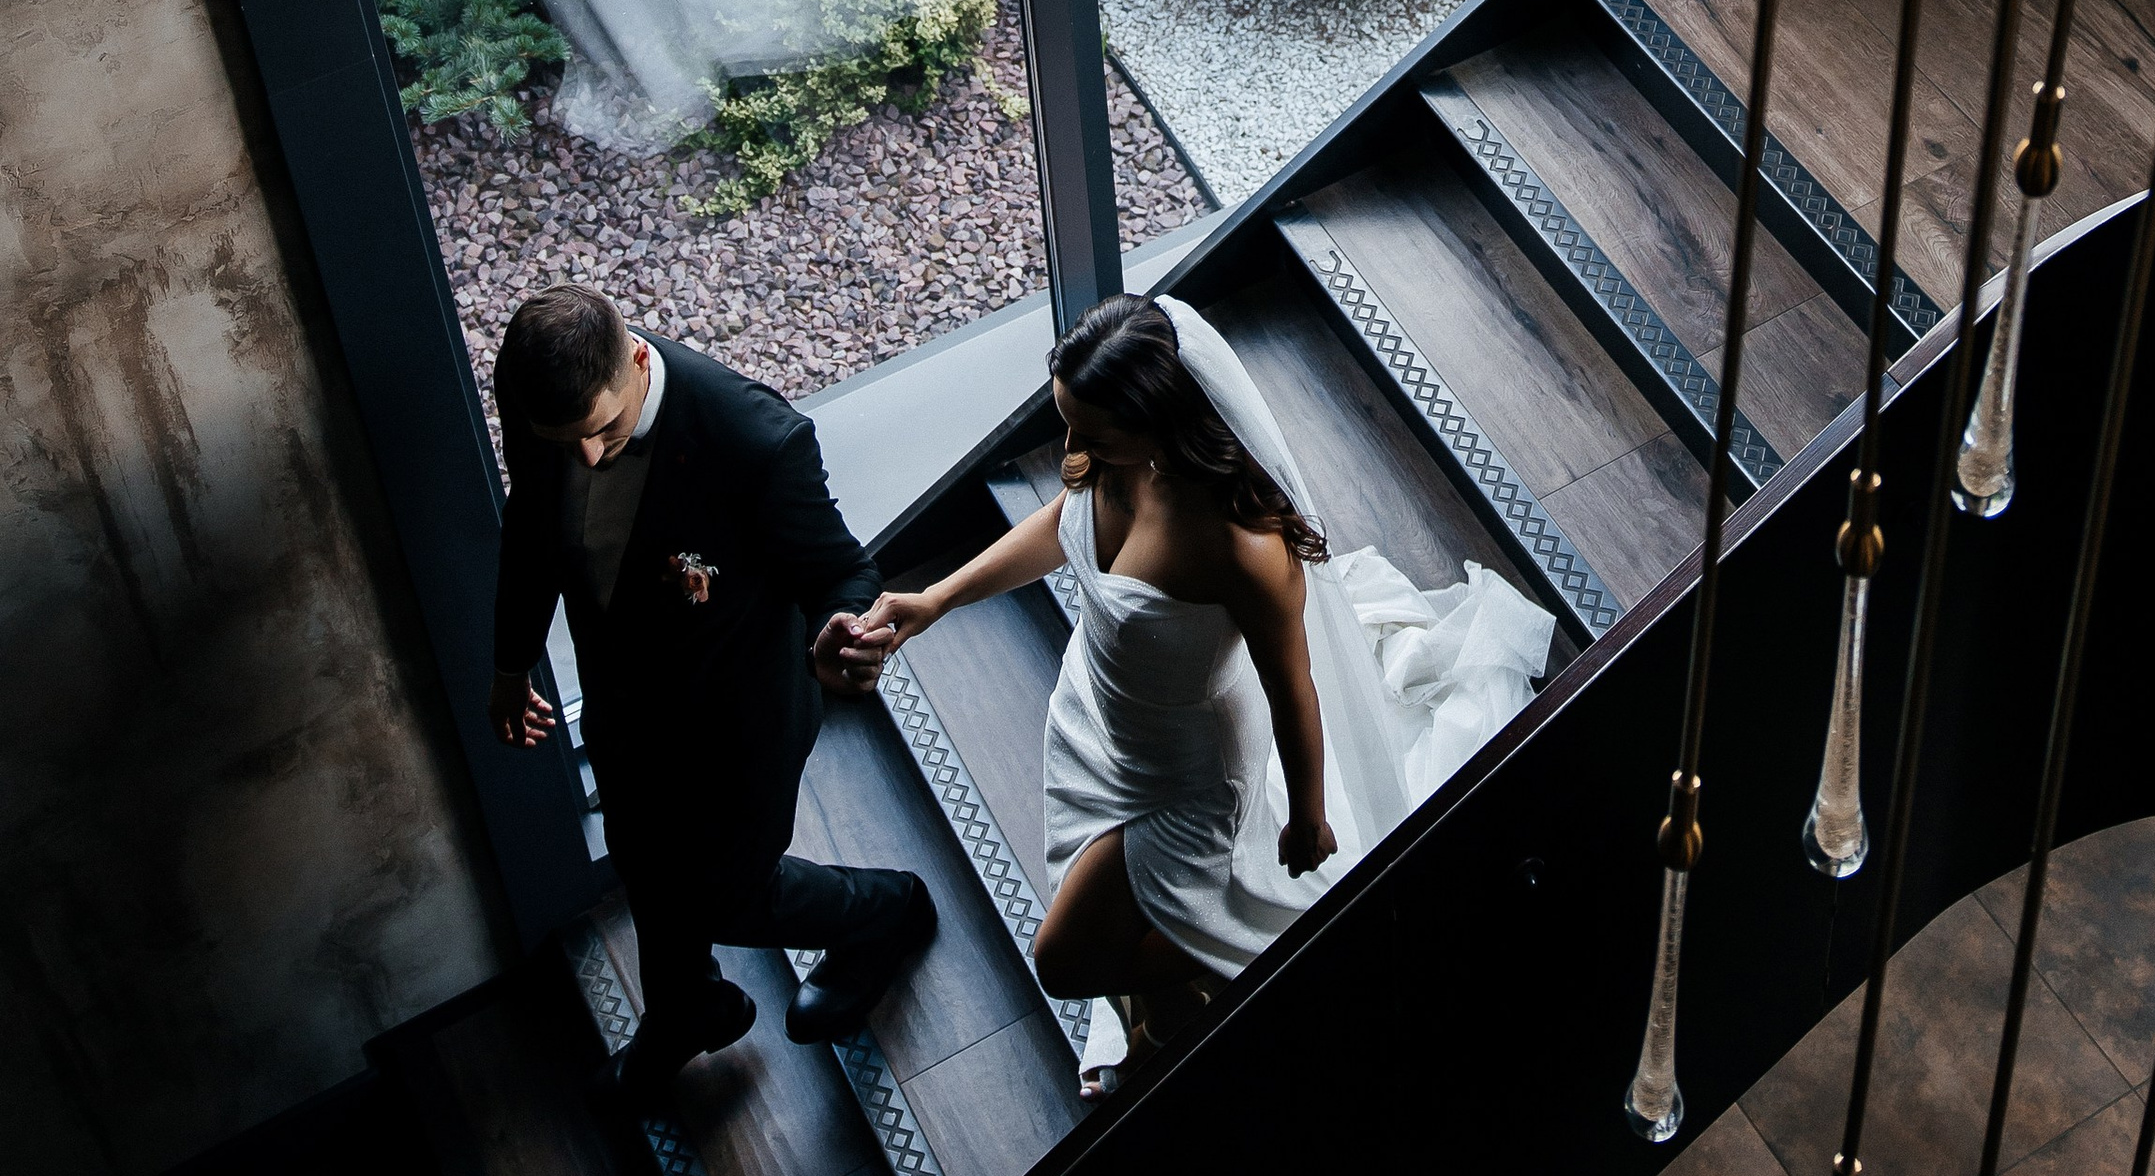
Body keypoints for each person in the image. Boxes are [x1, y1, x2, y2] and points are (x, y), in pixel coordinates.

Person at [821, 290, 1551, 1087]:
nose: (1070, 445)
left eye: (1092, 431)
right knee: (1099, 928)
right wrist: (937, 599)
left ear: (1160, 421)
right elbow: (1063, 524)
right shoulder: (1107, 459)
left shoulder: (1240, 546)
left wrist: (1307, 814)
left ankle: (1267, 942)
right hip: (1101, 718)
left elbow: (1294, 687)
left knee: (1063, 963)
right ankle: (1173, 987)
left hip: (1184, 779)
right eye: (1066, 420)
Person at [489, 284, 930, 1103]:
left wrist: (841, 632)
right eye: (564, 441)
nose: (583, 458)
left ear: (639, 362)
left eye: (601, 432)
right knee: (643, 857)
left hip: (739, 717)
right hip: (625, 706)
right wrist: (512, 664)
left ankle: (882, 910)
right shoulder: (541, 397)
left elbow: (840, 569)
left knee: (724, 895)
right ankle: (685, 1010)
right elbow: (531, 529)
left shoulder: (751, 439)